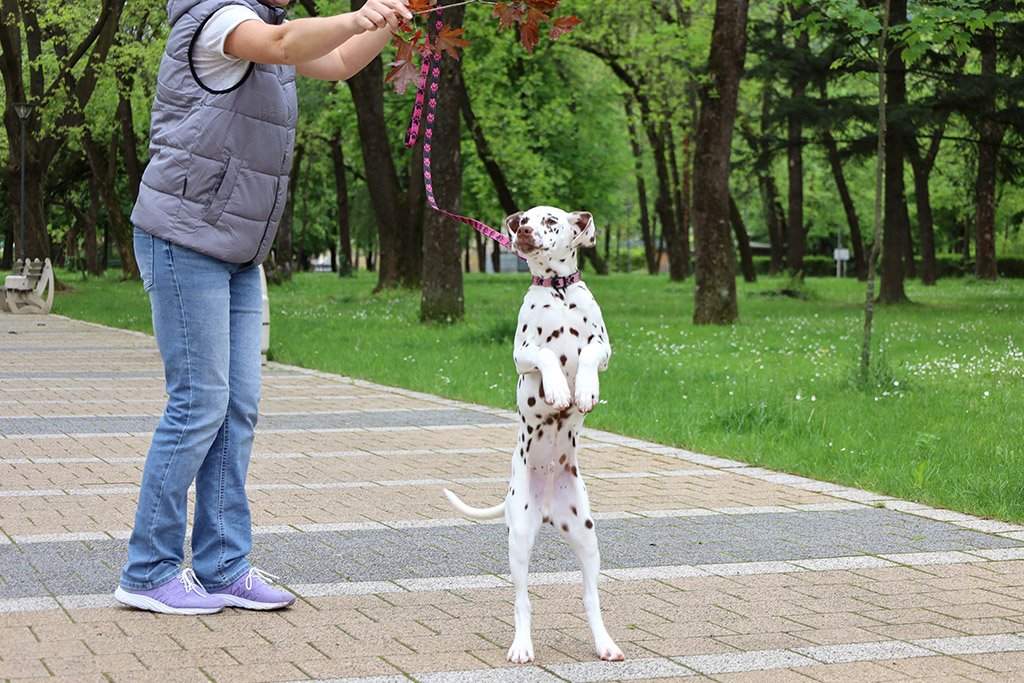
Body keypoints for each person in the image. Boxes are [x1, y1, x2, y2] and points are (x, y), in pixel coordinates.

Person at [115, 0, 412, 615]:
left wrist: (386, 19)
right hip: (184, 238)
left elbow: (337, 61)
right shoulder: (217, 19)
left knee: (236, 409)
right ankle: (147, 571)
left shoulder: (273, 27)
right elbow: (282, 45)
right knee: (198, 403)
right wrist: (356, 14)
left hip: (238, 250)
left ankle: (223, 566)